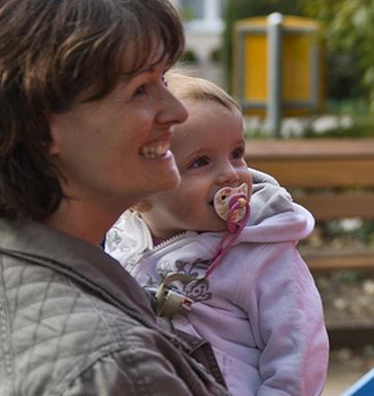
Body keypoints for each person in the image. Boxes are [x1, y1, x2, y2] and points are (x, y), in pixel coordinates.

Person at [0, 0, 229, 394]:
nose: (177, 111)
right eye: (140, 89)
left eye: (164, 80)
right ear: (40, 128)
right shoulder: (111, 369)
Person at [105, 73, 328, 396]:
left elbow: (298, 349)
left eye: (236, 153)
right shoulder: (117, 239)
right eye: (201, 162)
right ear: (139, 193)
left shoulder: (261, 252)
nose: (230, 173)